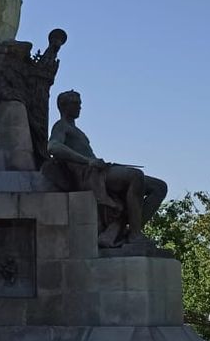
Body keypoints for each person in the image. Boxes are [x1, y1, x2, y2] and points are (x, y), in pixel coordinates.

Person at [44, 90, 168, 249]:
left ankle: (124, 231)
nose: (80, 107)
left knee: (159, 187)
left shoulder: (77, 130)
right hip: (89, 176)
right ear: (63, 106)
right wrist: (88, 161)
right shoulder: (61, 126)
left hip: (99, 171)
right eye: (75, 103)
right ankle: (134, 235)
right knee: (135, 176)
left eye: (80, 103)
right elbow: (53, 147)